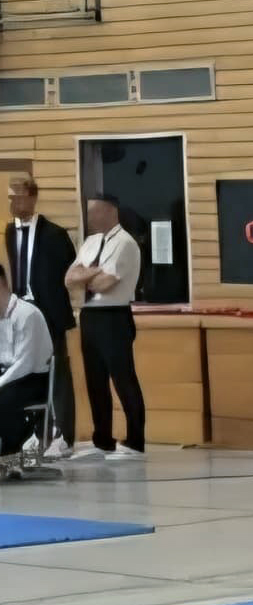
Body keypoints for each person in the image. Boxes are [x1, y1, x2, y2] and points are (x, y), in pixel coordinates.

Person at [64, 194, 145, 460]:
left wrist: (86, 275)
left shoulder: (125, 243)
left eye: (95, 212)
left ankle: (135, 442)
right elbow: (69, 278)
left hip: (114, 316)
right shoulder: (90, 242)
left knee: (123, 379)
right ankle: (102, 440)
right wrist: (94, 272)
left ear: (111, 211)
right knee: (95, 380)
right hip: (90, 316)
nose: (90, 218)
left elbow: (104, 285)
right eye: (89, 212)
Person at [8, 178, 77, 458]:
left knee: (58, 373)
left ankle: (65, 435)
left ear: (32, 197)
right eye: (10, 197)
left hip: (49, 313)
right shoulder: (10, 232)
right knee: (25, 372)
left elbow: (68, 271)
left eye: (18, 196)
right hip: (21, 313)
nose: (13, 202)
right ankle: (35, 433)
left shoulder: (55, 234)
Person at [0, 264, 54, 472]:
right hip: (8, 375)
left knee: (4, 400)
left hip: (32, 379)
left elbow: (25, 363)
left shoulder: (27, 314)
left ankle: (11, 457)